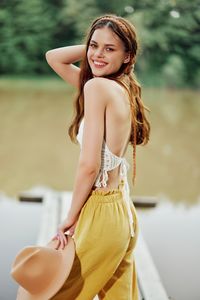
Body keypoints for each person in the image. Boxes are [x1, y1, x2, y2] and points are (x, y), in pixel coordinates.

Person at [46, 14, 150, 300]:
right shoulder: (120, 87)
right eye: (94, 46)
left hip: (102, 214)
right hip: (122, 215)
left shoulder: (96, 88)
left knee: (50, 293)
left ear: (128, 55)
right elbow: (54, 57)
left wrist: (70, 217)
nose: (97, 55)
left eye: (110, 49)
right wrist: (100, 44)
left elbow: (89, 166)